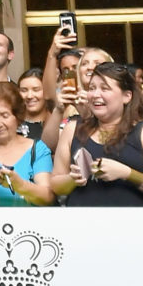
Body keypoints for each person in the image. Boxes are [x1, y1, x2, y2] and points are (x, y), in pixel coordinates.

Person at [51, 62, 143, 206]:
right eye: (91, 88)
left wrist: (126, 173)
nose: (95, 95)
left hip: (130, 224)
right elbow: (55, 185)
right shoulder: (73, 129)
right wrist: (72, 179)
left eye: (104, 89)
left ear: (126, 96)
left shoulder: (140, 132)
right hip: (83, 223)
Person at [16, 68, 49, 141]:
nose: (29, 96)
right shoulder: (13, 123)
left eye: (36, 90)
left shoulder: (54, 122)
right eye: (24, 90)